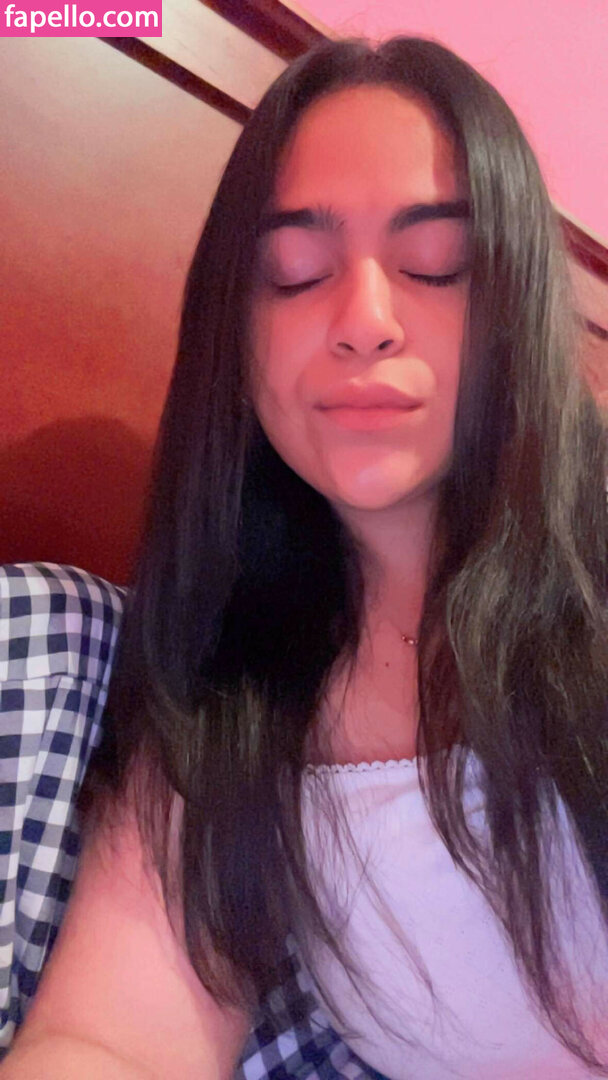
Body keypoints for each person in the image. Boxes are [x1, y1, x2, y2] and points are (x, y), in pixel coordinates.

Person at [1, 33, 608, 1079]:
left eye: (436, 263)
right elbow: (116, 1039)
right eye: (294, 272)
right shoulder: (224, 689)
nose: (363, 321)